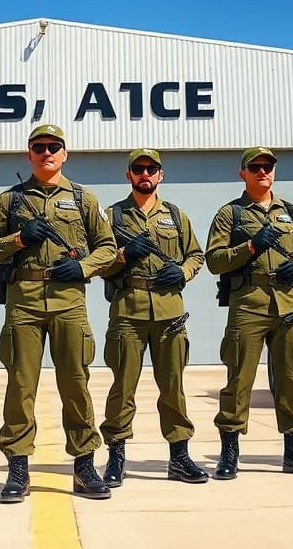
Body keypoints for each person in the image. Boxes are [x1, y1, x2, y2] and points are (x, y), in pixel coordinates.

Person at [0, 124, 118, 502]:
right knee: (21, 386)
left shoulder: (83, 199)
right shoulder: (10, 200)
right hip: (23, 300)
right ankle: (18, 467)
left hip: (69, 300)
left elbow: (108, 248)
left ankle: (84, 466)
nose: (46, 153)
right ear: (29, 154)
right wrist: (19, 239)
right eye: (39, 147)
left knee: (75, 383)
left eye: (54, 147)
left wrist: (83, 267)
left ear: (65, 154)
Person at [205, 146, 293, 480]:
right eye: (255, 167)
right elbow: (214, 260)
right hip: (248, 303)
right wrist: (251, 246)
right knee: (239, 379)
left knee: (290, 379)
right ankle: (229, 453)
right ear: (242, 173)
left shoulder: (290, 212)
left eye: (268, 166)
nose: (263, 172)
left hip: (287, 303)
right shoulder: (230, 214)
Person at [98, 148, 208, 486]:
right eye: (138, 168)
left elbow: (196, 255)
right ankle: (116, 455)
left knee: (173, 386)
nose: (145, 174)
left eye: (151, 169)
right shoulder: (112, 216)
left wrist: (183, 273)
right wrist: (123, 255)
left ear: (161, 175)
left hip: (169, 311)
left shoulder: (175, 215)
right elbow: (96, 261)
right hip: (128, 310)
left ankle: (179, 456)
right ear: (128, 174)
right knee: (123, 387)